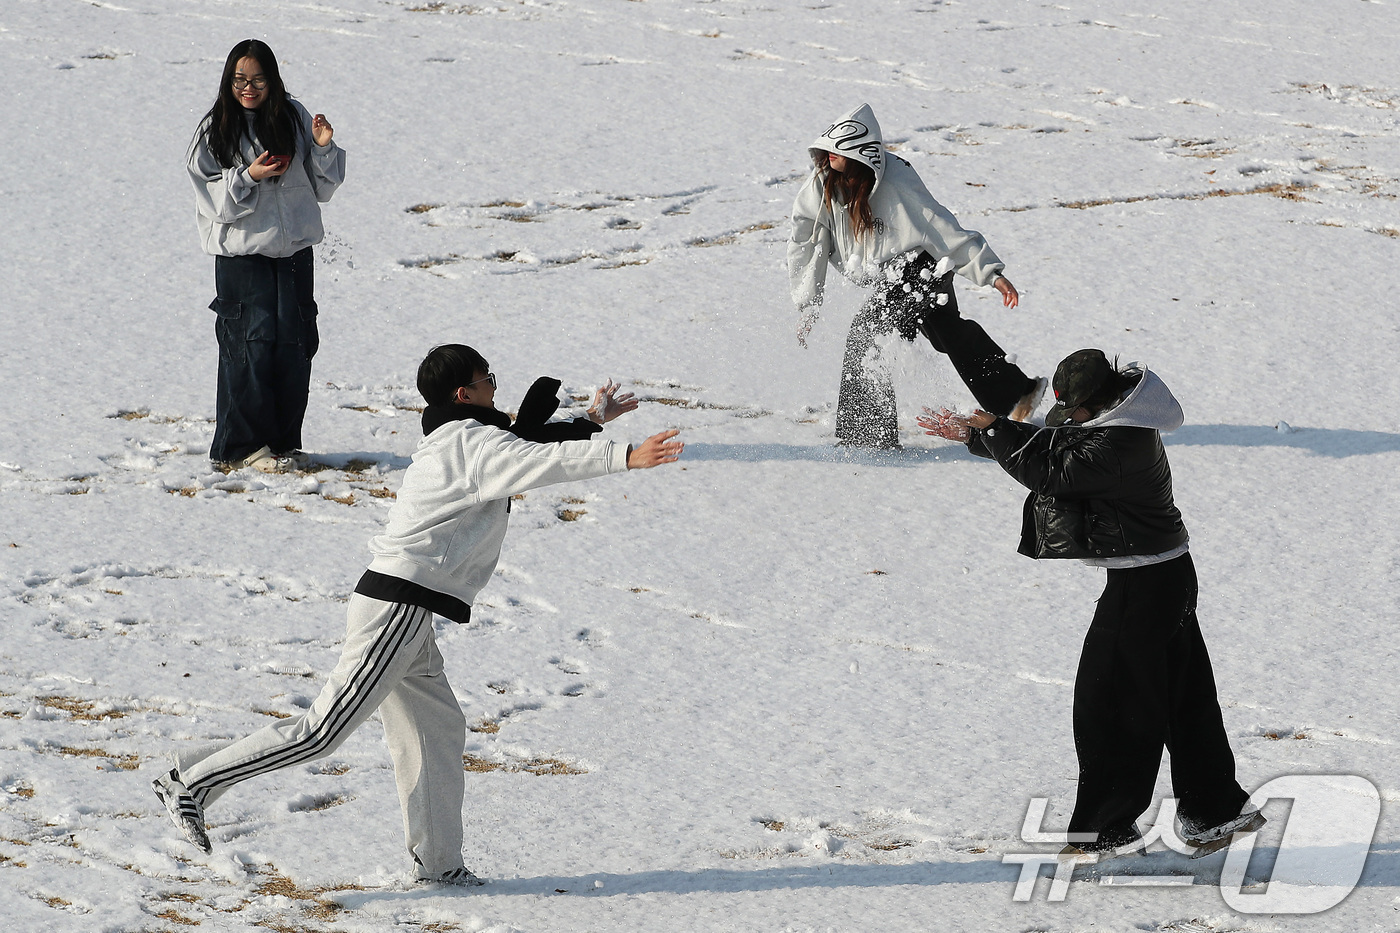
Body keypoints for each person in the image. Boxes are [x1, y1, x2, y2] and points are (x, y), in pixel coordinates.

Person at [152, 345, 683, 885]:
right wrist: (625, 455)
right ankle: (191, 784)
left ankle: (439, 866)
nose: (495, 387)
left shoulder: (460, 437)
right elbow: (535, 460)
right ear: (464, 393)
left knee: (436, 730)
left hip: (405, 606)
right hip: (400, 605)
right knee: (323, 733)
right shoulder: (471, 442)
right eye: (488, 379)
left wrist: (591, 421)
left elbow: (521, 444)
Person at [919, 350, 1262, 859]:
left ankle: (1104, 833)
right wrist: (979, 434)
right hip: (1163, 579)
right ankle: (1214, 811)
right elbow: (1054, 448)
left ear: (1098, 403)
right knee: (1180, 699)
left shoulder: (1117, 445)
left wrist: (993, 430)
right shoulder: (1119, 425)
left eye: (1074, 410)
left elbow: (1054, 469)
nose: (1069, 420)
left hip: (1144, 589)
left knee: (1109, 705)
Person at [788, 103, 1045, 449]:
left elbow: (942, 227)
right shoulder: (820, 188)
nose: (831, 155)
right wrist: (808, 303)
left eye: (841, 150)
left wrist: (991, 274)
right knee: (947, 332)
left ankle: (867, 438)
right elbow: (808, 242)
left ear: (862, 155)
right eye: (829, 148)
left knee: (867, 333)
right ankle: (1017, 393)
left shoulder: (897, 180)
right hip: (888, 275)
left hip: (922, 267)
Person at [188, 39, 347, 473]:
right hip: (245, 258)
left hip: (294, 251)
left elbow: (323, 188)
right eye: (240, 79)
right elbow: (210, 199)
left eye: (258, 78)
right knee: (248, 347)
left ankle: (281, 442)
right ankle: (240, 447)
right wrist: (249, 176)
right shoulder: (216, 128)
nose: (249, 88)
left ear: (272, 78)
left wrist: (322, 146)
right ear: (228, 80)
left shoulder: (293, 115)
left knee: (296, 346)